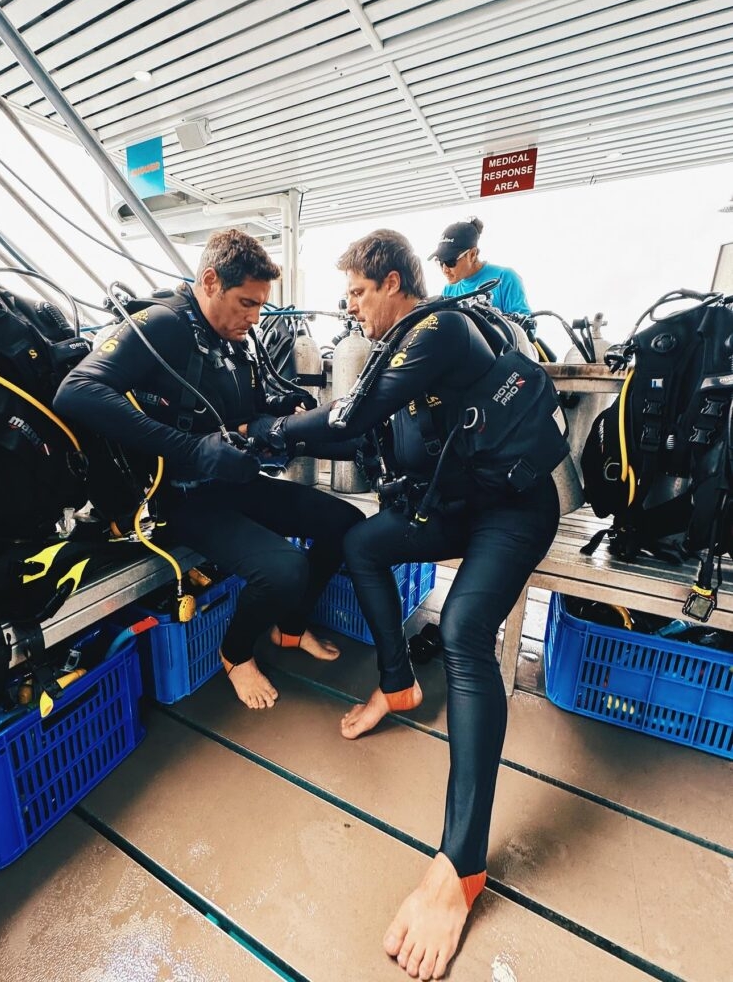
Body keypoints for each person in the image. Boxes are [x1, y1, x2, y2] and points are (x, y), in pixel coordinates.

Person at [246, 230, 559, 980]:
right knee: (362, 544)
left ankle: (461, 865)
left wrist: (260, 433)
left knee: (461, 628)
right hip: (456, 504)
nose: (350, 308)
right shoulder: (397, 356)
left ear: (391, 281)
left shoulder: (439, 329)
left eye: (356, 293)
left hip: (515, 509)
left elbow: (347, 420)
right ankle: (396, 681)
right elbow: (373, 445)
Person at [54, 228, 364, 710]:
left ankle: (290, 628)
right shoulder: (161, 326)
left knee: (344, 523)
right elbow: (76, 391)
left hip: (230, 481)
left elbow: (245, 418)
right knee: (284, 569)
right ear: (210, 280)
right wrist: (192, 449)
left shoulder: (233, 341)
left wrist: (284, 413)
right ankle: (236, 654)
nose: (254, 316)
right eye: (246, 303)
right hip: (176, 496)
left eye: (260, 305)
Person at [429, 217, 531, 316]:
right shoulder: (448, 290)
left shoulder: (505, 277)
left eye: (450, 262)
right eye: (441, 262)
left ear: (472, 254)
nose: (444, 269)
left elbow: (526, 328)